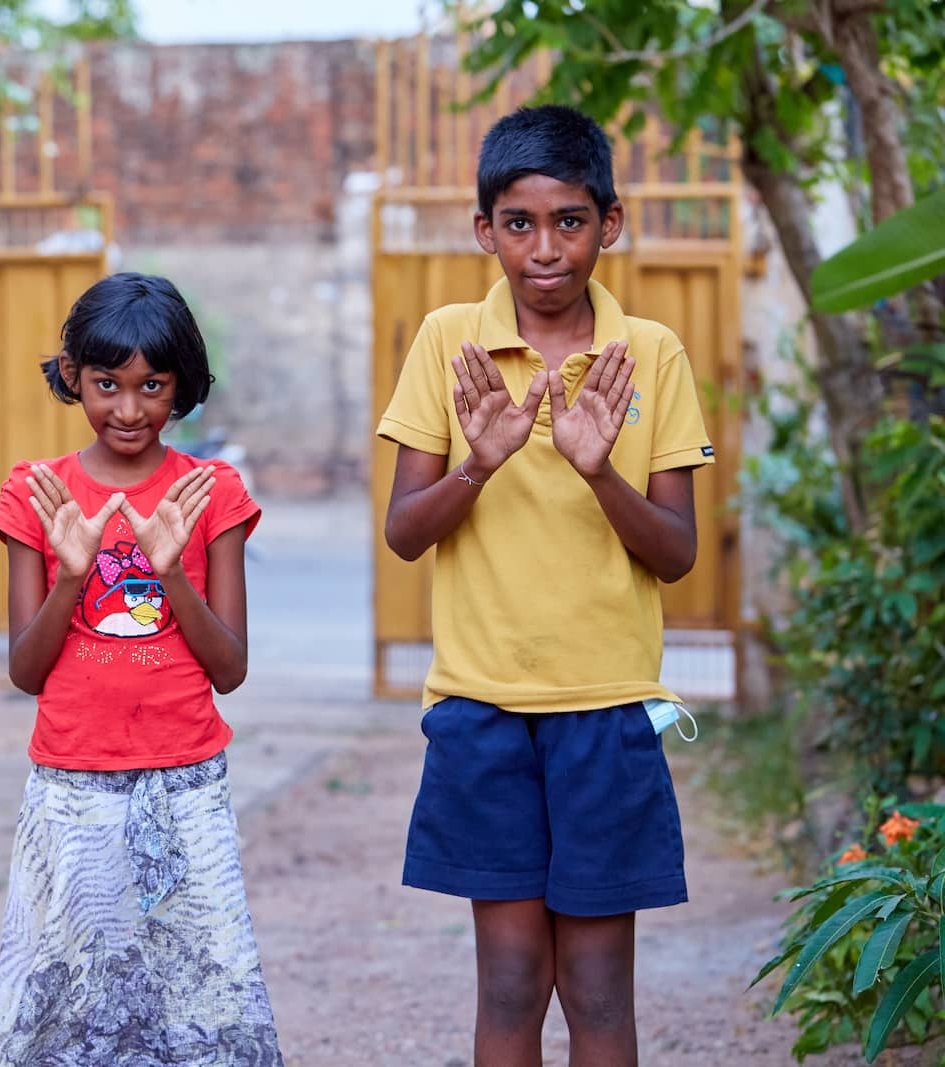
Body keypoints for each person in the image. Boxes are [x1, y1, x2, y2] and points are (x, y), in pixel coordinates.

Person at [378, 105, 714, 1066]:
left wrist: (598, 470)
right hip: (481, 708)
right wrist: (479, 464)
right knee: (513, 980)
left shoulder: (648, 355)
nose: (545, 249)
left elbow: (677, 552)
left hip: (607, 710)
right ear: (484, 230)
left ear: (611, 223)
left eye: (570, 221)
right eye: (518, 224)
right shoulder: (451, 342)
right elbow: (405, 533)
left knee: (600, 992)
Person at [0, 272, 284, 1065]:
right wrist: (74, 571)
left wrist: (172, 569)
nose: (127, 408)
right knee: (76, 1011)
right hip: (72, 785)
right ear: (73, 377)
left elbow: (231, 667)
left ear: (183, 385)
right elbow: (25, 667)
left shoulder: (209, 490)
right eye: (106, 383)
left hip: (187, 783)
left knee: (200, 1006)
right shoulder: (37, 494)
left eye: (152, 385)